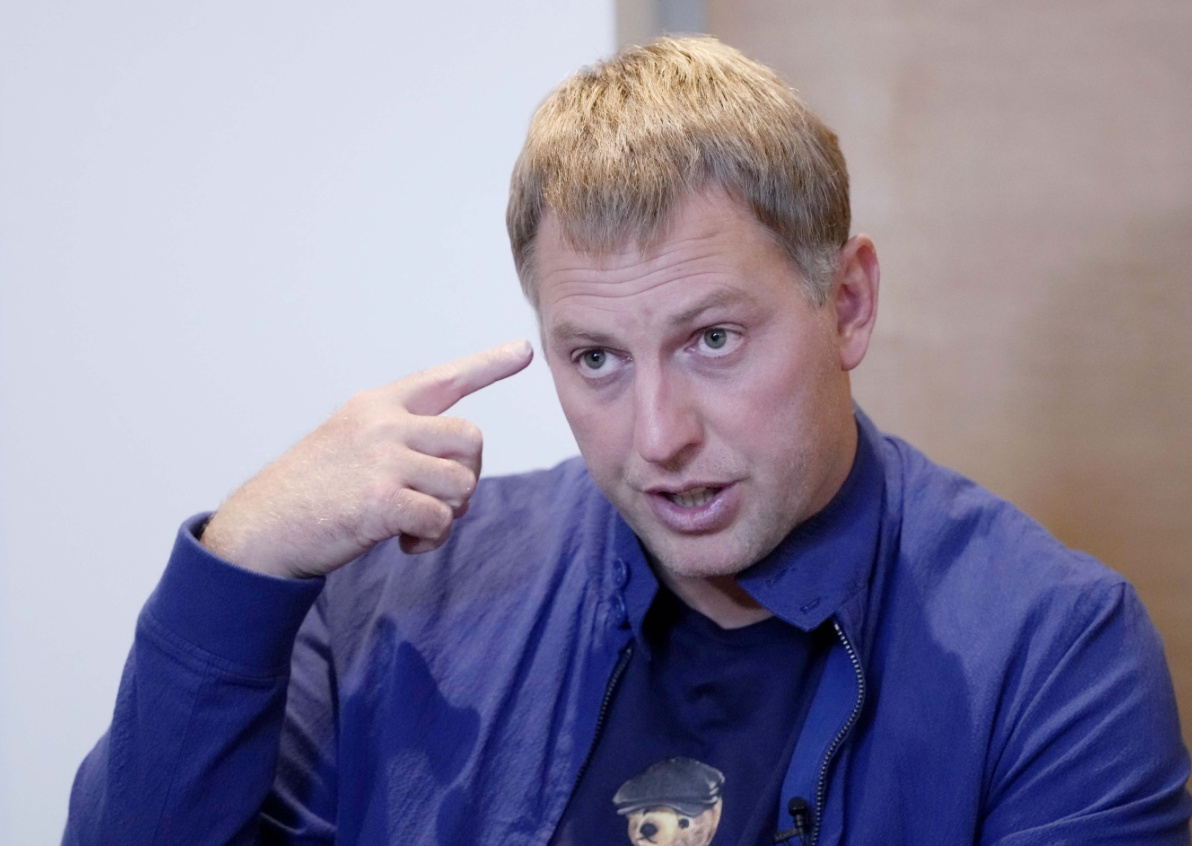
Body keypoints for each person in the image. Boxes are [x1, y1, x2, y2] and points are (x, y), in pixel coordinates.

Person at [64, 36, 1190, 846]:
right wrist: (241, 565)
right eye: (596, 358)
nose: (658, 438)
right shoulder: (392, 601)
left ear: (847, 304)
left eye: (712, 340)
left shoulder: (1055, 654)